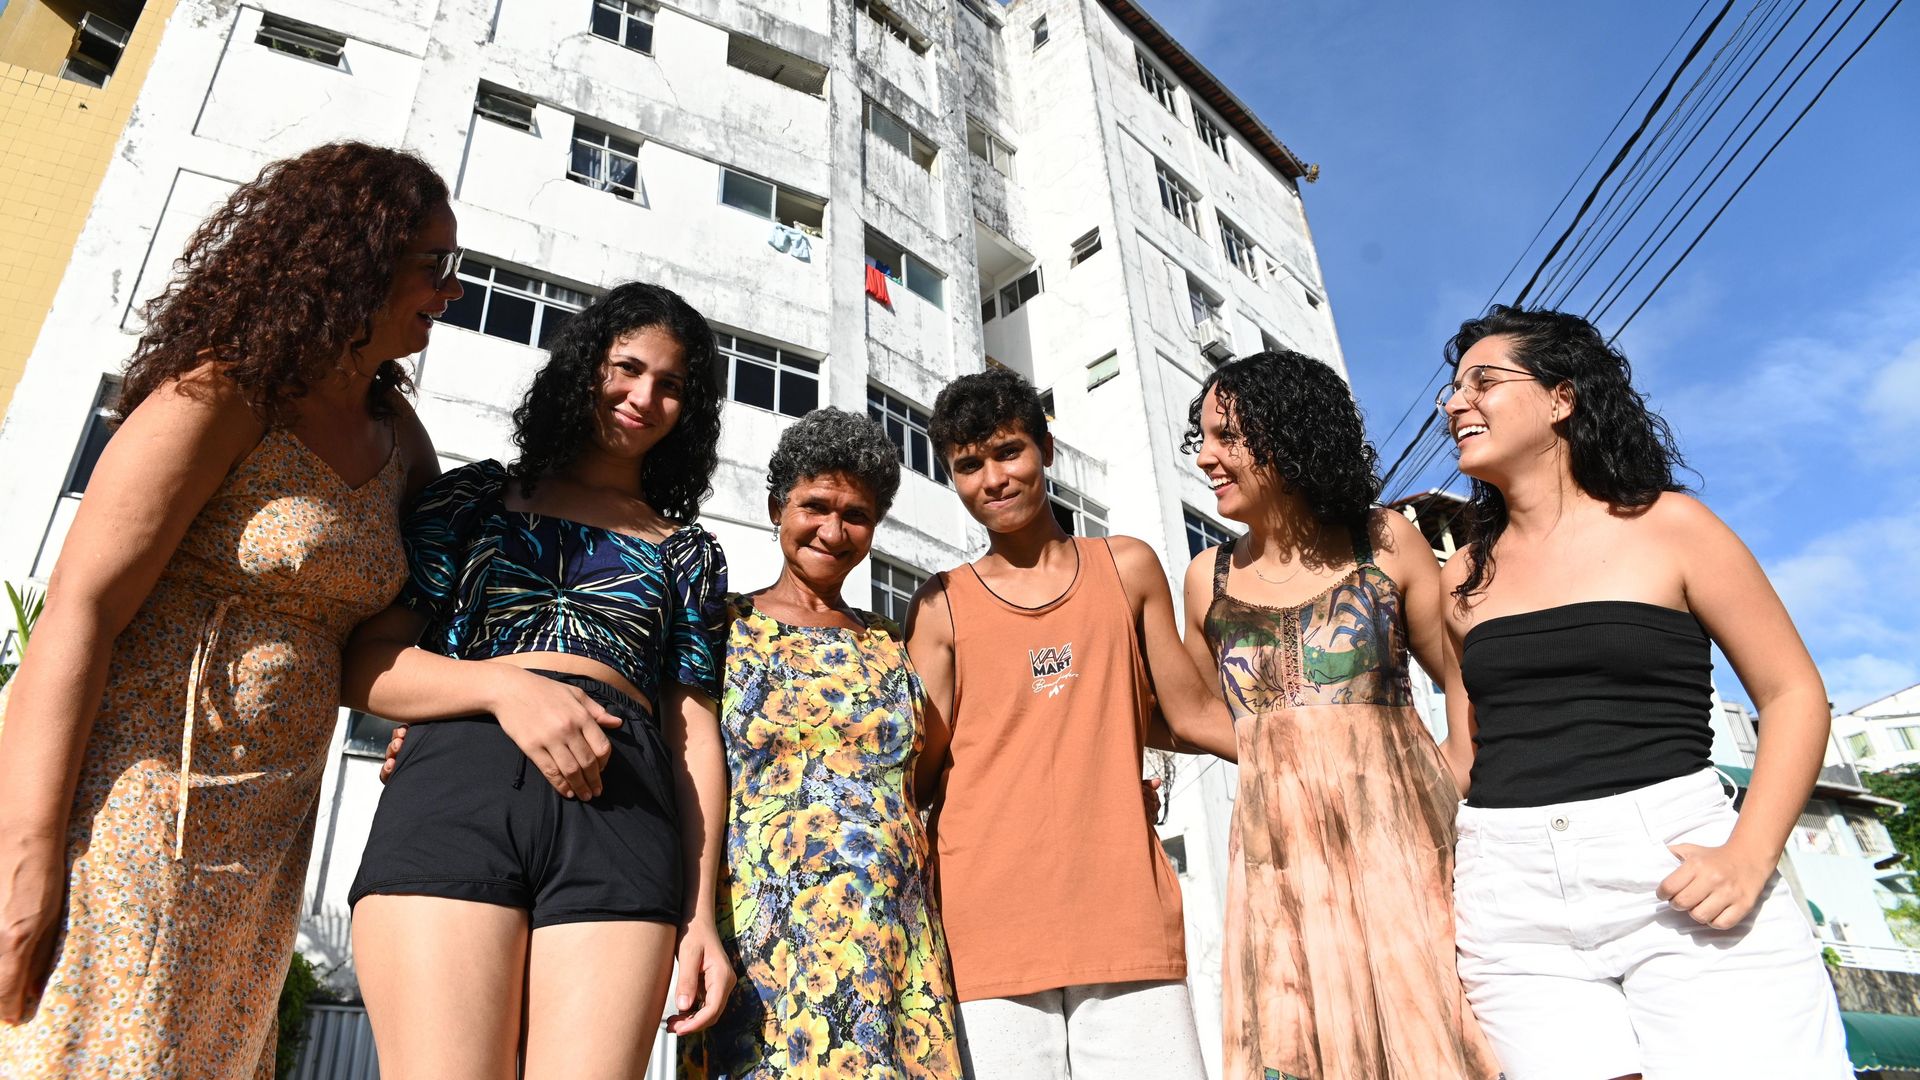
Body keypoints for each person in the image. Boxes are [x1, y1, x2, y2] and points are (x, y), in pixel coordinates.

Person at [0, 142, 454, 1077]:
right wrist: (25, 855)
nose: (449, 292)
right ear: (357, 255)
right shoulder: (223, 393)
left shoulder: (402, 441)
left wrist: (432, 711)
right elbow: (79, 610)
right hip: (134, 800)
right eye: (432, 266)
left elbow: (402, 620)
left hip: (270, 825)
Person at [1437, 306, 1850, 1078]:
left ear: (1562, 398)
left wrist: (1750, 855)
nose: (1456, 403)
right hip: (1509, 891)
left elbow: (1794, 691)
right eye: (1452, 390)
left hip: (1675, 868)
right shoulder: (1460, 578)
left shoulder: (1673, 526)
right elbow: (1466, 751)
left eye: (1482, 382)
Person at [344, 281, 733, 1078]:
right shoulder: (474, 501)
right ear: (584, 366)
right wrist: (502, 687)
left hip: (625, 813)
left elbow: (694, 734)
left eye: (671, 386)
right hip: (460, 791)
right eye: (626, 368)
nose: (644, 396)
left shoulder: (688, 554)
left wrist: (701, 916)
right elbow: (366, 666)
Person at [904, 366, 1236, 1079]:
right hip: (985, 920)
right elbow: (918, 774)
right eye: (968, 465)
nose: (991, 478)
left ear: (1045, 449)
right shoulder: (940, 605)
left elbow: (1192, 713)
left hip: (1122, 909)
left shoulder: (1127, 567)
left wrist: (1324, 748)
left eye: (1008, 452)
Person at [1180, 350, 1503, 1080]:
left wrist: (1455, 771)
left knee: (1434, 1036)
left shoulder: (1385, 539)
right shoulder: (1208, 577)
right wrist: (1283, 749)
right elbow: (1196, 710)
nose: (1207, 458)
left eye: (1227, 437)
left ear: (1291, 434)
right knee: (1299, 1047)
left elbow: (1462, 674)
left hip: (1407, 843)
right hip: (1280, 860)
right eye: (1201, 438)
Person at [678, 408, 962, 1078]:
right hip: (760, 947)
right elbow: (670, 762)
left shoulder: (895, 646)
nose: (833, 532)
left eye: (856, 515)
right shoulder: (719, 629)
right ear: (778, 506)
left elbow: (945, 773)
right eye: (815, 506)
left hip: (892, 947)